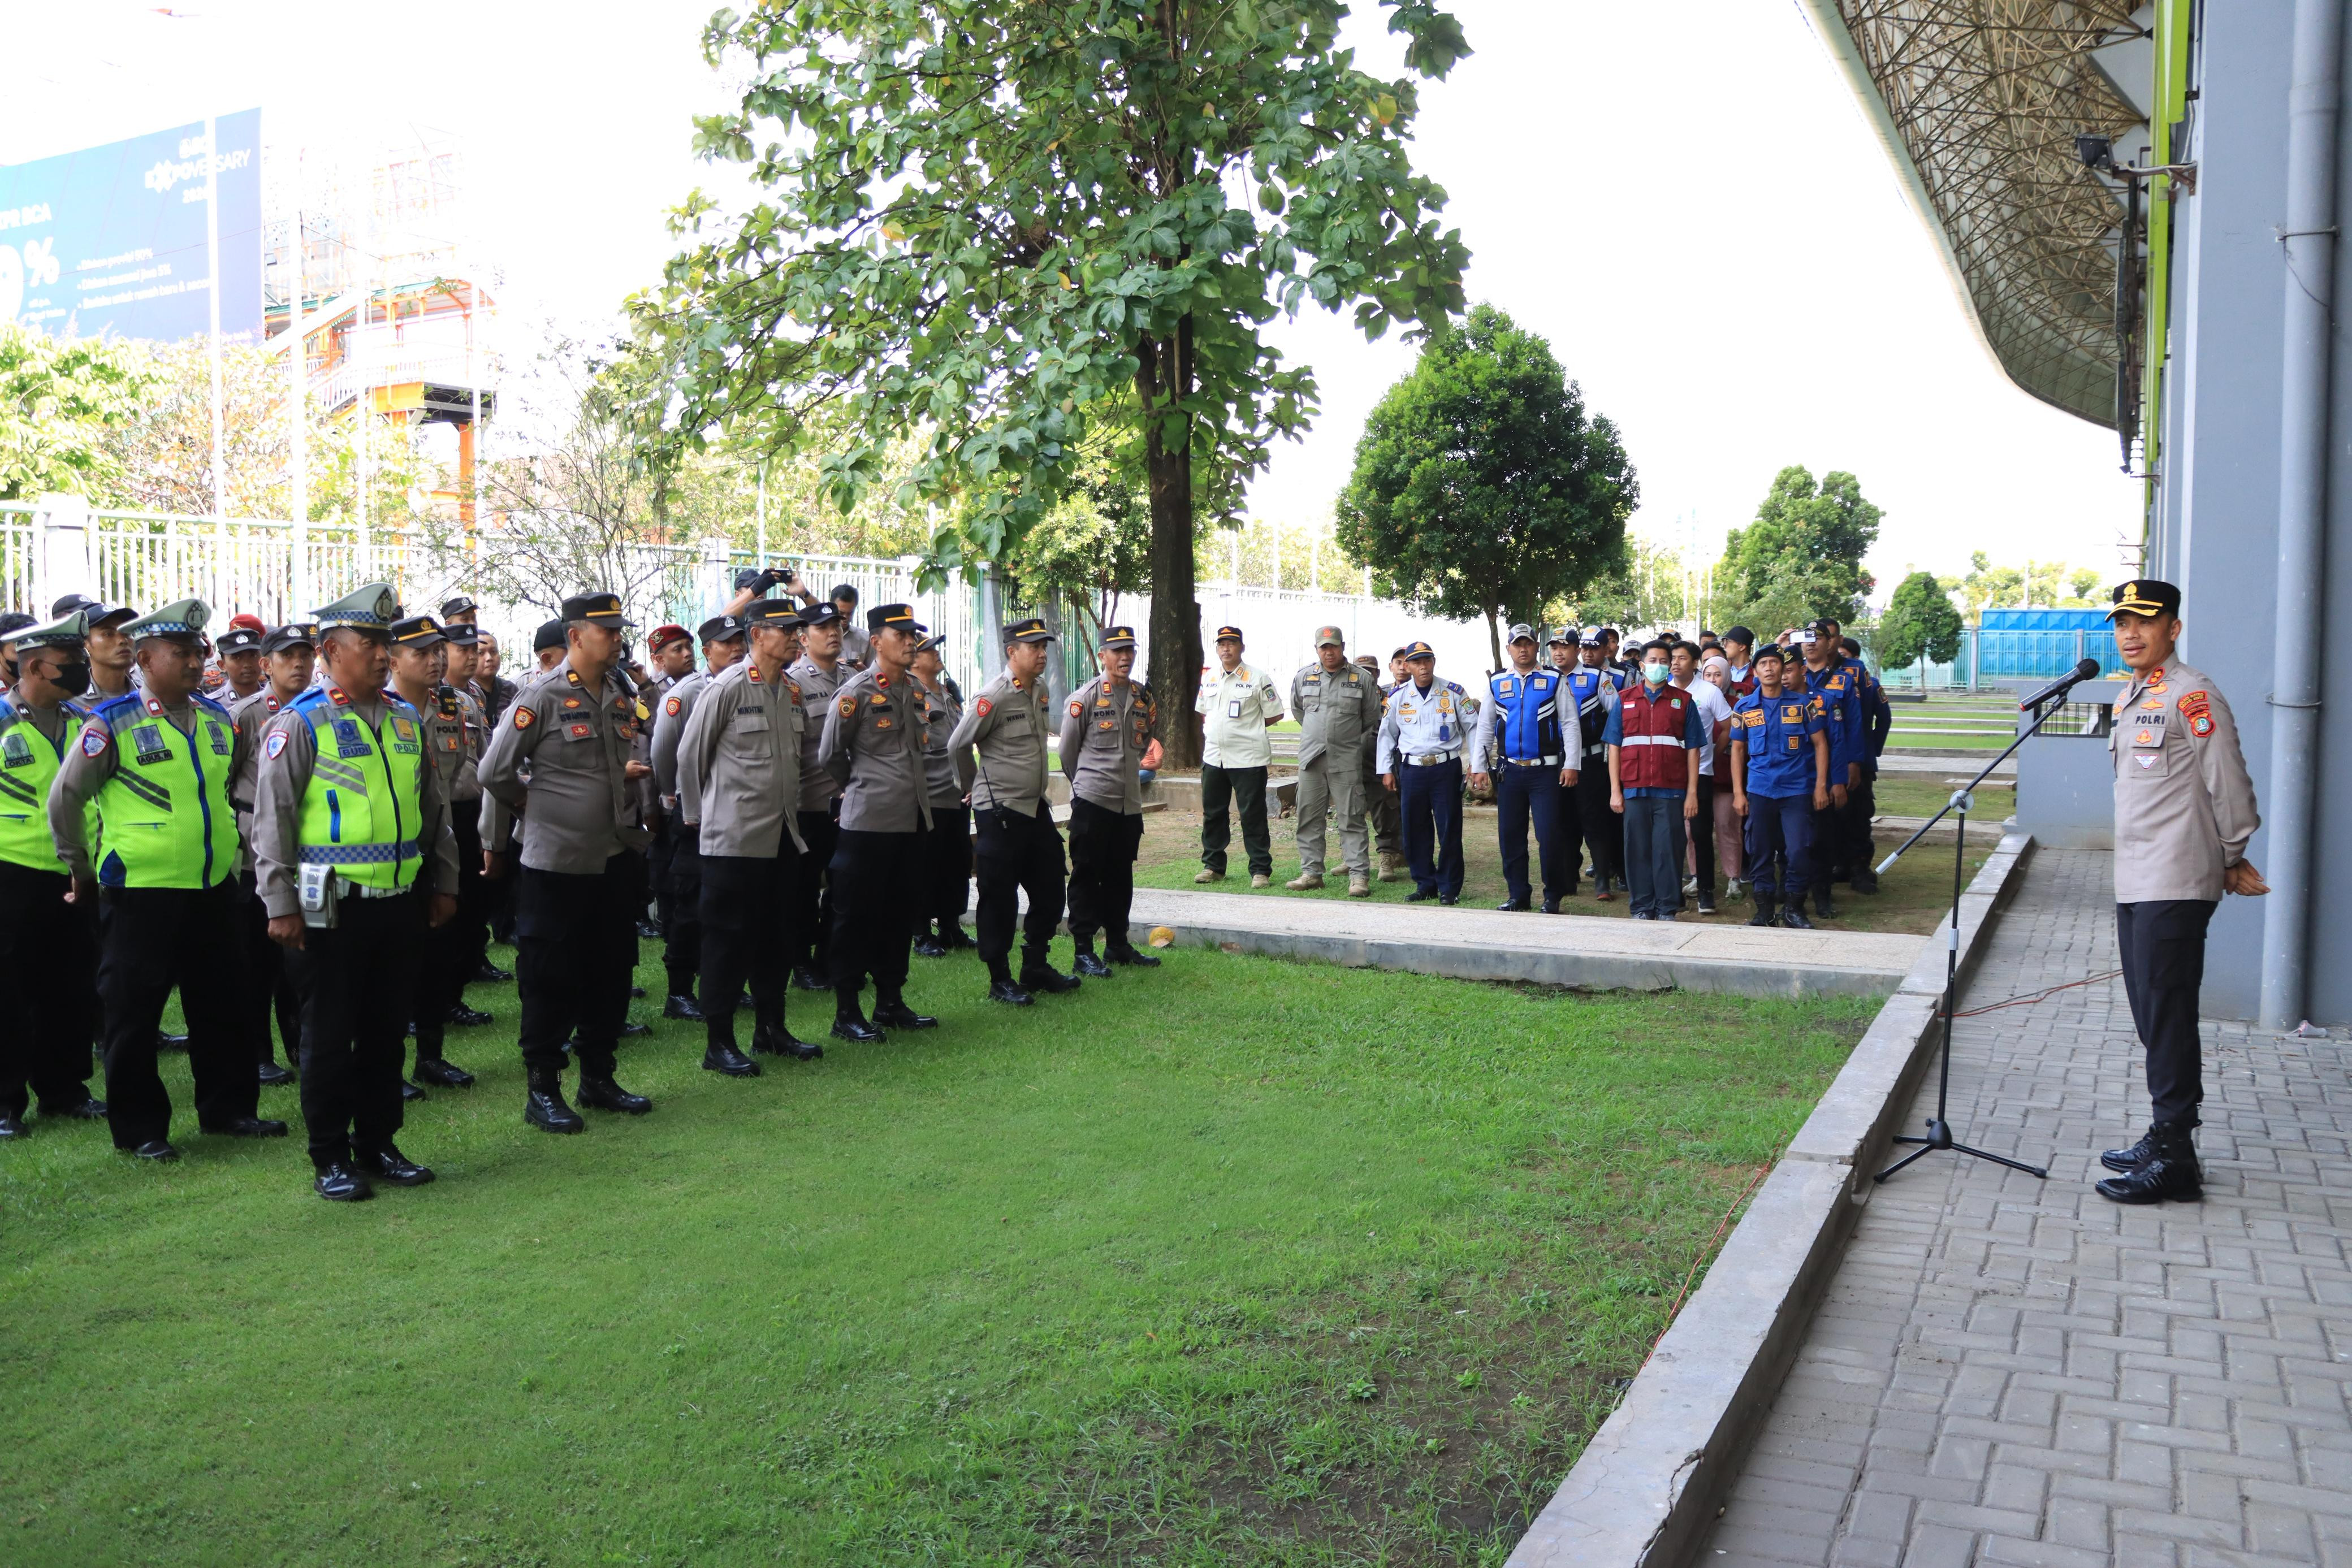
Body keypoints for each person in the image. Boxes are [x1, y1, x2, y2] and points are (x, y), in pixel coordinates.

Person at [47, 599, 278, 1160]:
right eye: (181, 653)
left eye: (198, 652)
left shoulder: (219, 719)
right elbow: (65, 797)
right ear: (147, 659)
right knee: (133, 1013)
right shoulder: (113, 721)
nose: (197, 662)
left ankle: (229, 1109)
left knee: (224, 1004)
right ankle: (141, 1128)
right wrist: (79, 865)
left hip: (213, 889)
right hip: (140, 894)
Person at [252, 591, 460, 1199]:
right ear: (330, 652)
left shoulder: (404, 718)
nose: (380, 654)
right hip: (331, 909)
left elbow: (434, 812)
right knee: (328, 1035)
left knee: (385, 1031)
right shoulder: (300, 722)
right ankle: (329, 1156)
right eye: (367, 644)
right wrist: (280, 903)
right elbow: (273, 823)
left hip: (398, 903)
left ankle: (378, 1142)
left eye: (383, 643)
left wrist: (443, 880)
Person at [2094, 579, 2264, 1205]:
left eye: (2144, 621)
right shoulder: (2135, 693)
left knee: (2166, 1013)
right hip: (2136, 876)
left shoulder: (2193, 694)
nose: (2129, 633)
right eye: (2121, 623)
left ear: (2172, 627)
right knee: (2150, 1012)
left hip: (2175, 877)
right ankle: (2167, 1131)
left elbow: (2229, 783)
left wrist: (2231, 854)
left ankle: (2175, 1159)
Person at [478, 592, 656, 1134]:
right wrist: (531, 803)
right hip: (556, 862)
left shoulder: (621, 693)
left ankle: (598, 1076)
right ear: (576, 636)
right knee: (550, 976)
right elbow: (494, 770)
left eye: (619, 630)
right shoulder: (542, 697)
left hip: (613, 854)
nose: (617, 639)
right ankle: (544, 1089)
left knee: (610, 970)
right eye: (607, 631)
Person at [676, 597, 814, 1069]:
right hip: (733, 840)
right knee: (727, 941)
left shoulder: (791, 691)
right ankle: (719, 1043)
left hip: (781, 835)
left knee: (778, 937)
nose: (797, 637)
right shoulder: (728, 687)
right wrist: (696, 819)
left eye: (798, 630)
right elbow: (689, 756)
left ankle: (771, 1030)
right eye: (787, 630)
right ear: (757, 635)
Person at [0, 609, 106, 1137]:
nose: (80, 670)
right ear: (37, 667)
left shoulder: (84, 720)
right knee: (9, 994)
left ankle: (65, 1090)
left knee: (72, 988)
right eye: (69, 663)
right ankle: (4, 1102)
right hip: (12, 876)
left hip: (75, 872)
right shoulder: (1, 720)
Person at [820, 603, 940, 1042]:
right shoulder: (855, 693)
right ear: (876, 642)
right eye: (901, 635)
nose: (911, 642)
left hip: (911, 822)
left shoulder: (914, 689)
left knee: (899, 914)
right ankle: (847, 1011)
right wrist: (860, 785)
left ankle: (891, 1001)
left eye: (913, 635)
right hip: (867, 824)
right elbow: (830, 754)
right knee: (855, 918)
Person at [952, 617, 1082, 1003]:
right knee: (999, 897)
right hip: (1001, 811)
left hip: (1033, 807)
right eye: (1034, 648)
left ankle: (1036, 965)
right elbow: (958, 744)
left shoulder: (1039, 689)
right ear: (1012, 652)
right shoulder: (994, 696)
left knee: (1049, 886)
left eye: (1044, 647)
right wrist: (972, 787)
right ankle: (1000, 979)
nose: (1042, 654)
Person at [384, 613, 485, 1096]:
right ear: (393, 659)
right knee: (396, 961)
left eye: (437, 650)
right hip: (393, 846)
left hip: (442, 839)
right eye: (422, 653)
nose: (435, 660)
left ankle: (431, 1054)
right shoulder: (379, 710)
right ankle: (391, 1065)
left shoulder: (456, 705)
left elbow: (459, 771)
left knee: (441, 949)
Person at [227, 621, 317, 1088]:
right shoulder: (246, 715)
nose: (300, 664)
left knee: (299, 966)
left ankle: (303, 1047)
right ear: (266, 666)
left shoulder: (320, 712)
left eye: (306, 654)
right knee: (256, 965)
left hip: (308, 850)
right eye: (288, 656)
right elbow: (228, 780)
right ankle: (259, 1054)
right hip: (255, 854)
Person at [650, 613, 748, 1019]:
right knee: (690, 903)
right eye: (727, 643)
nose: (737, 648)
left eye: (740, 640)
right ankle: (679, 991)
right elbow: (664, 752)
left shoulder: (748, 686)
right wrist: (675, 800)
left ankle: (718, 981)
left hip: (733, 813)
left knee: (727, 902)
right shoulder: (688, 692)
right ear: (710, 652)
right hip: (694, 815)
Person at [1060, 625, 1163, 974]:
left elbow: (1146, 739)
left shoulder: (1142, 697)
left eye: (1129, 651)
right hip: (1093, 801)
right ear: (1102, 656)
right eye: (1117, 652)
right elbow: (1067, 754)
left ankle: (1118, 944)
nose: (1124, 658)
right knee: (1087, 874)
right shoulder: (1084, 698)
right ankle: (1084, 950)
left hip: (1128, 803)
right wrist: (1087, 788)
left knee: (1121, 874)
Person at [1472, 623, 1576, 912]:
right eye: (1517, 644)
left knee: (1549, 835)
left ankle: (1552, 896)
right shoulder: (1496, 682)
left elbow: (1569, 723)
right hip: (1510, 772)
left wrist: (1572, 764)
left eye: (1528, 643)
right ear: (1509, 649)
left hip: (1545, 771)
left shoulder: (1554, 680)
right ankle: (1518, 895)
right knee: (1511, 836)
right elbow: (1485, 726)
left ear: (1535, 647)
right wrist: (1480, 766)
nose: (1523, 649)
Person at [1728, 645, 1830, 929]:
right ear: (1755, 671)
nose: (1771, 668)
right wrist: (1738, 793)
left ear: (1784, 669)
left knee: (1798, 850)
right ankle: (1764, 912)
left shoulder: (1803, 705)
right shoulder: (1744, 706)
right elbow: (1737, 751)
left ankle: (1794, 909)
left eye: (1776, 663)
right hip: (1759, 790)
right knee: (1759, 851)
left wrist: (1820, 786)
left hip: (1796, 790)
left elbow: (1821, 744)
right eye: (1764, 664)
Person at [1605, 638, 1703, 921]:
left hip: (1671, 790)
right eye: (1653, 661)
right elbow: (1614, 747)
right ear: (1641, 664)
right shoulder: (1624, 700)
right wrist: (1615, 791)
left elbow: (1694, 749)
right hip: (1634, 788)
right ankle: (1641, 908)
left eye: (1664, 661)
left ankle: (1667, 908)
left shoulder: (1683, 701)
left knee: (1668, 850)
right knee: (1637, 851)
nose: (1659, 666)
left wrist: (1692, 793)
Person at [1286, 626, 1380, 896]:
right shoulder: (1304, 676)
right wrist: (1321, 735)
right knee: (1308, 817)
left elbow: (1370, 715)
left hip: (1346, 758)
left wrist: (1342, 736)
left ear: (1343, 647)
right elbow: (1298, 710)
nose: (1329, 652)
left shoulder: (1360, 678)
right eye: (1324, 647)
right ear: (1317, 649)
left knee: (1351, 817)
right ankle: (1311, 873)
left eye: (1334, 646)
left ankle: (1359, 876)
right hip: (1312, 759)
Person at [1376, 640, 1470, 906]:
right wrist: (1386, 769)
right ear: (1407, 666)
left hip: (1445, 768)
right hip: (1412, 770)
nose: (1423, 666)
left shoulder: (1453, 692)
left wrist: (1476, 764)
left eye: (1427, 660)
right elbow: (1386, 736)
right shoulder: (1397, 697)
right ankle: (1425, 883)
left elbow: (1472, 728)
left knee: (1449, 828)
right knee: (1415, 829)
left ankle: (1449, 887)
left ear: (1434, 662)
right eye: (1416, 662)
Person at [786, 602, 850, 991]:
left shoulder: (852, 679)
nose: (833, 634)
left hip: (847, 806)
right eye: (823, 628)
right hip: (807, 804)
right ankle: (800, 963)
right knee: (803, 891)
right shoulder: (794, 684)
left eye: (838, 627)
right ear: (804, 638)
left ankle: (832, 957)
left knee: (843, 886)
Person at [1194, 625, 1283, 888]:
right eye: (1222, 644)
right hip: (1214, 757)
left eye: (1232, 643)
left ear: (1241, 647)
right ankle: (1213, 866)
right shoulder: (1210, 677)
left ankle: (1259, 870)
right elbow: (1203, 710)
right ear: (1217, 648)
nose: (1226, 648)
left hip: (1248, 758)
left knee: (1252, 815)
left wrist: (1248, 729)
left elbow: (1275, 713)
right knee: (1213, 813)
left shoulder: (1257, 677)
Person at [910, 633, 978, 953]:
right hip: (929, 794)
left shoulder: (948, 692)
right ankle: (921, 932)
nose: (936, 654)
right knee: (925, 865)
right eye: (928, 650)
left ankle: (951, 927)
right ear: (914, 659)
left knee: (957, 862)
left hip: (956, 792)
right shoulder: (910, 693)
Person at [1671, 639, 1736, 916]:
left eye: (1682, 658)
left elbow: (1727, 725)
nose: (1675, 663)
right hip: (1669, 777)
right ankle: (1672, 891)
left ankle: (1706, 892)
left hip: (1701, 774)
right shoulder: (1663, 690)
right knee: (1671, 835)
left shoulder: (1708, 691)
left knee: (1700, 833)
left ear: (1696, 663)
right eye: (1672, 658)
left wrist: (1715, 751)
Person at [1570, 628, 1625, 899]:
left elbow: (1618, 715)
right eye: (1584, 648)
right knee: (1564, 823)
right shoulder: (1550, 677)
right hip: (1560, 762)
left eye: (1594, 648)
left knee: (1595, 821)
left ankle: (1604, 877)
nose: (1588, 653)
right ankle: (1568, 875)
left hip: (1592, 760)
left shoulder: (1599, 678)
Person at [1835, 631, 1892, 894]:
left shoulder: (1867, 681)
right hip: (1831, 759)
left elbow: (1884, 718)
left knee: (1859, 816)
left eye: (1845, 657)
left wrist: (1872, 750)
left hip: (1860, 760)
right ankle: (1839, 865)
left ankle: (1860, 868)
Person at [1700, 652, 1746, 902]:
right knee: (1693, 829)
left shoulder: (1736, 704)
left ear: (1727, 676)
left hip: (1725, 776)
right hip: (1698, 775)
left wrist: (1717, 751)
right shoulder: (1695, 699)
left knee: (1727, 827)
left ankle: (1734, 879)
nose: (1713, 680)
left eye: (1718, 675)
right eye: (1708, 675)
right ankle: (1697, 876)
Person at [1360, 653, 1404, 880]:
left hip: (1385, 763)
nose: (1367, 675)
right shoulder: (1350, 694)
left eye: (1371, 671)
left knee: (1387, 809)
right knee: (1352, 812)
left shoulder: (1389, 696)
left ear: (1378, 674)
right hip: (1355, 762)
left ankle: (1391, 854)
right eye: (1362, 671)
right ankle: (1353, 859)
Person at [212, 623, 265, 702]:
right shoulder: (213, 705)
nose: (247, 664)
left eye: (253, 656)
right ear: (222, 665)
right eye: (237, 658)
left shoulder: (277, 699)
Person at [830, 584, 872, 670]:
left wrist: (864, 671)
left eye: (850, 613)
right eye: (841, 613)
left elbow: (874, 673)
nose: (845, 618)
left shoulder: (865, 639)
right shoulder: (819, 637)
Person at [1720, 626, 1759, 698]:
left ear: (1741, 647)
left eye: (1728, 641)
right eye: (1724, 642)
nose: (1724, 645)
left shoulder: (1757, 674)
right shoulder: (1722, 671)